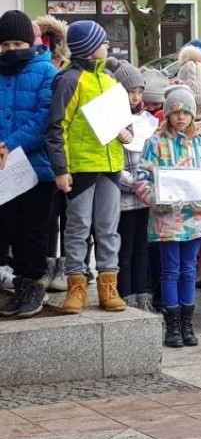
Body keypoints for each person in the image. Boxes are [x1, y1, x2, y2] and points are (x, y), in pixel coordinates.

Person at [45, 20, 130, 314]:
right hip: (80, 167)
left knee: (108, 229)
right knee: (78, 228)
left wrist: (126, 132)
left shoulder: (108, 79)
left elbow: (121, 120)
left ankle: (108, 285)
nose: (108, 46)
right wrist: (61, 169)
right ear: (90, 47)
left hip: (110, 164)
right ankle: (76, 285)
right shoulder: (69, 80)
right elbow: (57, 127)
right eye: (104, 42)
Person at [135, 85, 201, 347]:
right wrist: (154, 199)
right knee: (170, 270)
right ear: (167, 115)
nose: (181, 117)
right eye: (175, 113)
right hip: (167, 220)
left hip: (196, 217)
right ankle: (171, 324)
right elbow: (142, 178)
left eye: (186, 112)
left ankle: (187, 322)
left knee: (188, 270)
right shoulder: (155, 143)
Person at [0, 10, 58, 319]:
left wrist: (9, 143)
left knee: (31, 233)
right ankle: (15, 286)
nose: (11, 50)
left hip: (35, 170)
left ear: (30, 42)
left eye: (17, 43)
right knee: (6, 228)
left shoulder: (45, 71)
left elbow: (44, 117)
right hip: (2, 171)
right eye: (5, 44)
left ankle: (32, 286)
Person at [112, 59, 159, 312]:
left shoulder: (146, 120)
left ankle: (142, 294)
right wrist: (135, 183)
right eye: (131, 91)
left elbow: (152, 156)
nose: (136, 96)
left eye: (140, 91)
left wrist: (150, 182)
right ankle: (126, 294)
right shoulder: (113, 121)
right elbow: (111, 163)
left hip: (145, 197)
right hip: (123, 197)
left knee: (143, 248)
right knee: (125, 249)